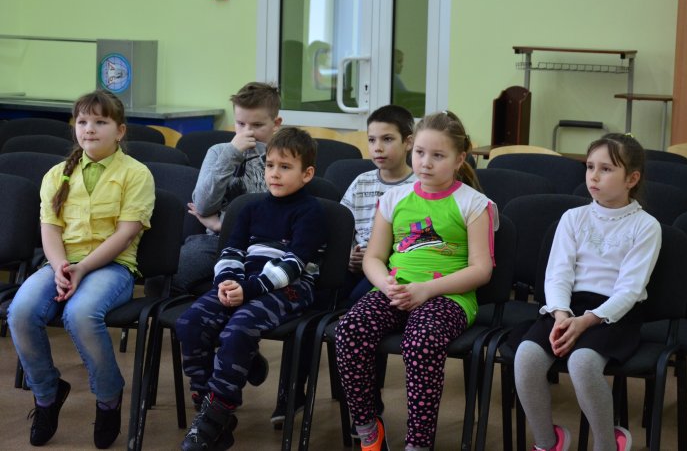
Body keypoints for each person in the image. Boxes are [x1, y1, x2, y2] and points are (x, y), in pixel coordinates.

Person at [335, 111, 498, 451]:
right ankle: (368, 430)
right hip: (396, 290)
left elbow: (482, 270)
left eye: (438, 155)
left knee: (422, 341)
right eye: (420, 153)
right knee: (349, 330)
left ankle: (418, 443)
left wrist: (426, 289)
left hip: (448, 296)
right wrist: (386, 284)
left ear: (459, 159)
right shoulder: (393, 199)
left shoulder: (474, 203)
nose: (425, 162)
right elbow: (373, 258)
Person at [8, 90, 155, 449]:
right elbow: (50, 230)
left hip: (112, 267)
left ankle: (108, 397)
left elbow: (125, 234)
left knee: (81, 313)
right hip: (61, 263)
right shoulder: (57, 174)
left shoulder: (136, 174)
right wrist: (61, 266)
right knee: (20, 312)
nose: (89, 128)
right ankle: (47, 394)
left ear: (120, 131)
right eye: (83, 121)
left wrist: (83, 267)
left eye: (100, 122)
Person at [175, 127, 328, 450]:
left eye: (285, 167)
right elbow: (231, 250)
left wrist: (248, 288)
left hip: (291, 287)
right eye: (270, 165)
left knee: (239, 329)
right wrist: (227, 282)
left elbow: (293, 264)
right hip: (246, 281)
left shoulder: (312, 212)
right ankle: (209, 407)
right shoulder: (250, 207)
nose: (274, 173)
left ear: (307, 174)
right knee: (190, 322)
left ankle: (214, 418)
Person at [513, 133, 661, 451]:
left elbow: (630, 289)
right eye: (590, 166)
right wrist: (561, 315)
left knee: (582, 363)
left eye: (606, 169)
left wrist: (586, 321)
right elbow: (558, 274)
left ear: (632, 179)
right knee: (526, 358)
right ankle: (548, 442)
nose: (593, 176)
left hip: (614, 313)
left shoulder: (646, 226)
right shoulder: (573, 218)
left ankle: (607, 443)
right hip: (568, 307)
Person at [175, 81, 282, 295]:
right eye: (241, 124)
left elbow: (278, 217)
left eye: (257, 125)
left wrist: (219, 225)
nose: (247, 132)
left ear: (276, 124)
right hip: (217, 242)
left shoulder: (282, 159)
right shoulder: (219, 152)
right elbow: (203, 205)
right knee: (172, 272)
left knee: (262, 278)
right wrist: (232, 154)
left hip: (265, 244)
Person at [341, 104, 416, 305]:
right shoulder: (361, 182)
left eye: (387, 139)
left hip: (393, 267)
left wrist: (375, 258)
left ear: (408, 142)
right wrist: (349, 255)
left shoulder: (418, 186)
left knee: (356, 299)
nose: (378, 148)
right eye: (372, 140)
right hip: (355, 265)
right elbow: (342, 227)